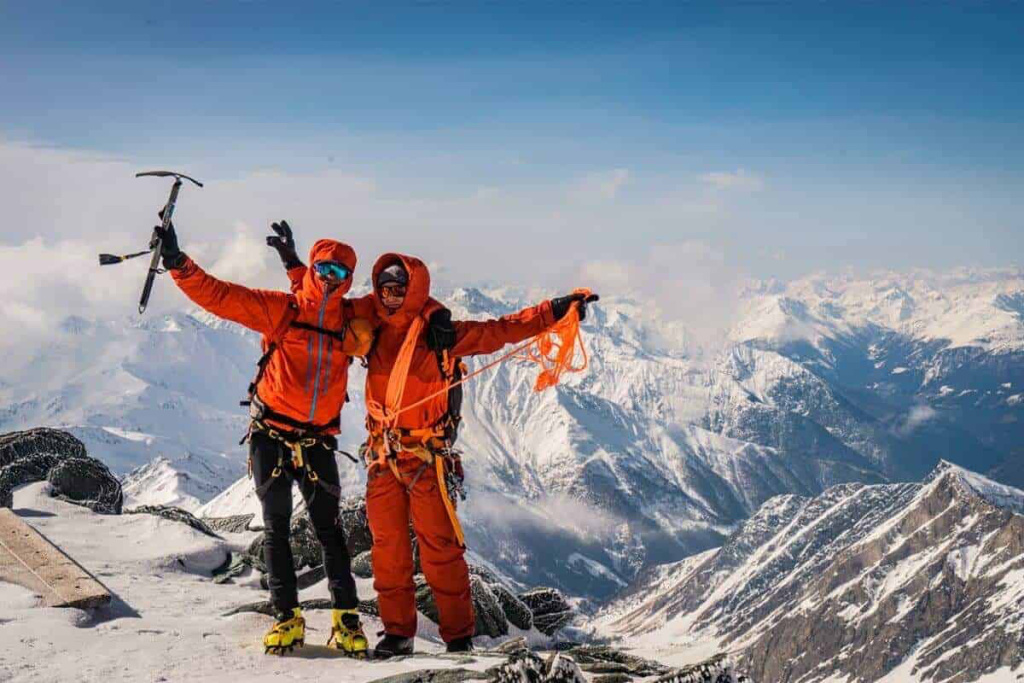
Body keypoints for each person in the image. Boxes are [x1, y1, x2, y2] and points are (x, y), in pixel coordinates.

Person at [284, 251, 596, 657]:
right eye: (385, 289)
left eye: (399, 289)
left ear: (414, 289)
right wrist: (295, 265)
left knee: (441, 552)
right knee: (388, 551)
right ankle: (398, 634)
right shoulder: (368, 322)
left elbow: (500, 331)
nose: (391, 296)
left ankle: (458, 636)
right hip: (384, 457)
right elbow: (320, 304)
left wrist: (556, 310)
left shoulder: (441, 332)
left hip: (425, 458)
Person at [153, 219, 376, 656]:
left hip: (316, 441)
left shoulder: (352, 318)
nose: (330, 278)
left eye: (339, 273)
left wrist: (438, 319)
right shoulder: (282, 309)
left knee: (330, 532)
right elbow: (222, 297)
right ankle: (286, 618)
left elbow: (398, 308)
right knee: (276, 530)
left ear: (350, 279)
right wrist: (178, 262)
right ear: (314, 270)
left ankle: (345, 620)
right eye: (323, 269)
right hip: (270, 436)